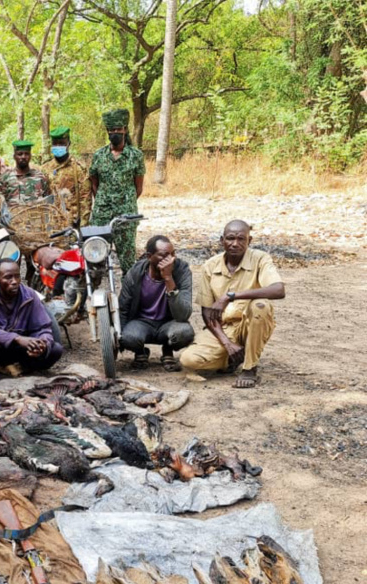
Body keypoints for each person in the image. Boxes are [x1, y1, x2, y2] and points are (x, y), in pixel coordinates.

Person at [180, 220, 286, 388]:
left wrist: (231, 296)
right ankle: (232, 358)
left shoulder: (260, 259)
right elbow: (207, 313)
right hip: (224, 327)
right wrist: (227, 343)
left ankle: (249, 368)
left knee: (260, 306)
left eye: (241, 239)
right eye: (230, 238)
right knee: (189, 360)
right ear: (222, 240)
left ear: (249, 241)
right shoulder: (210, 266)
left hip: (250, 323)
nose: (235, 243)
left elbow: (278, 290)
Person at [0, 259, 64, 377]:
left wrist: (42, 344)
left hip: (18, 348)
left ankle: (22, 367)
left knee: (55, 350)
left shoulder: (29, 295)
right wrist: (16, 338)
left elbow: (43, 327)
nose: (14, 281)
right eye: (8, 277)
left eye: (17, 276)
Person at [118, 235, 195, 372]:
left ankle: (168, 349)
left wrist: (168, 278)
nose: (170, 259)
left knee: (185, 333)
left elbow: (183, 314)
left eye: (172, 254)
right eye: (164, 255)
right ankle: (140, 351)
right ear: (149, 256)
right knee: (128, 337)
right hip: (141, 322)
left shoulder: (181, 270)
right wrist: (121, 340)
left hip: (169, 323)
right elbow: (123, 307)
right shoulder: (135, 273)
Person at [89, 109, 145, 272]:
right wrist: (103, 200)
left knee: (128, 261)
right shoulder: (99, 155)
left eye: (118, 129)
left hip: (126, 216)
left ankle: (129, 288)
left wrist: (124, 201)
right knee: (95, 258)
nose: (115, 133)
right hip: (101, 215)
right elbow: (94, 183)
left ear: (125, 130)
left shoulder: (135, 155)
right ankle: (95, 287)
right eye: (111, 130)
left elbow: (138, 187)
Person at [42, 126, 91, 226]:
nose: (58, 146)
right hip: (51, 223)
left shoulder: (78, 169)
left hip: (72, 223)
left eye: (61, 143)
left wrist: (83, 226)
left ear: (69, 143)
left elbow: (85, 199)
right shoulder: (45, 169)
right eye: (55, 143)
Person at [0, 140, 52, 207]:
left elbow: (48, 202)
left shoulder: (40, 177)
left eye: (26, 154)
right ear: (14, 156)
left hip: (36, 213)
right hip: (12, 213)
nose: (23, 157)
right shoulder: (5, 178)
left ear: (30, 156)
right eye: (20, 154)